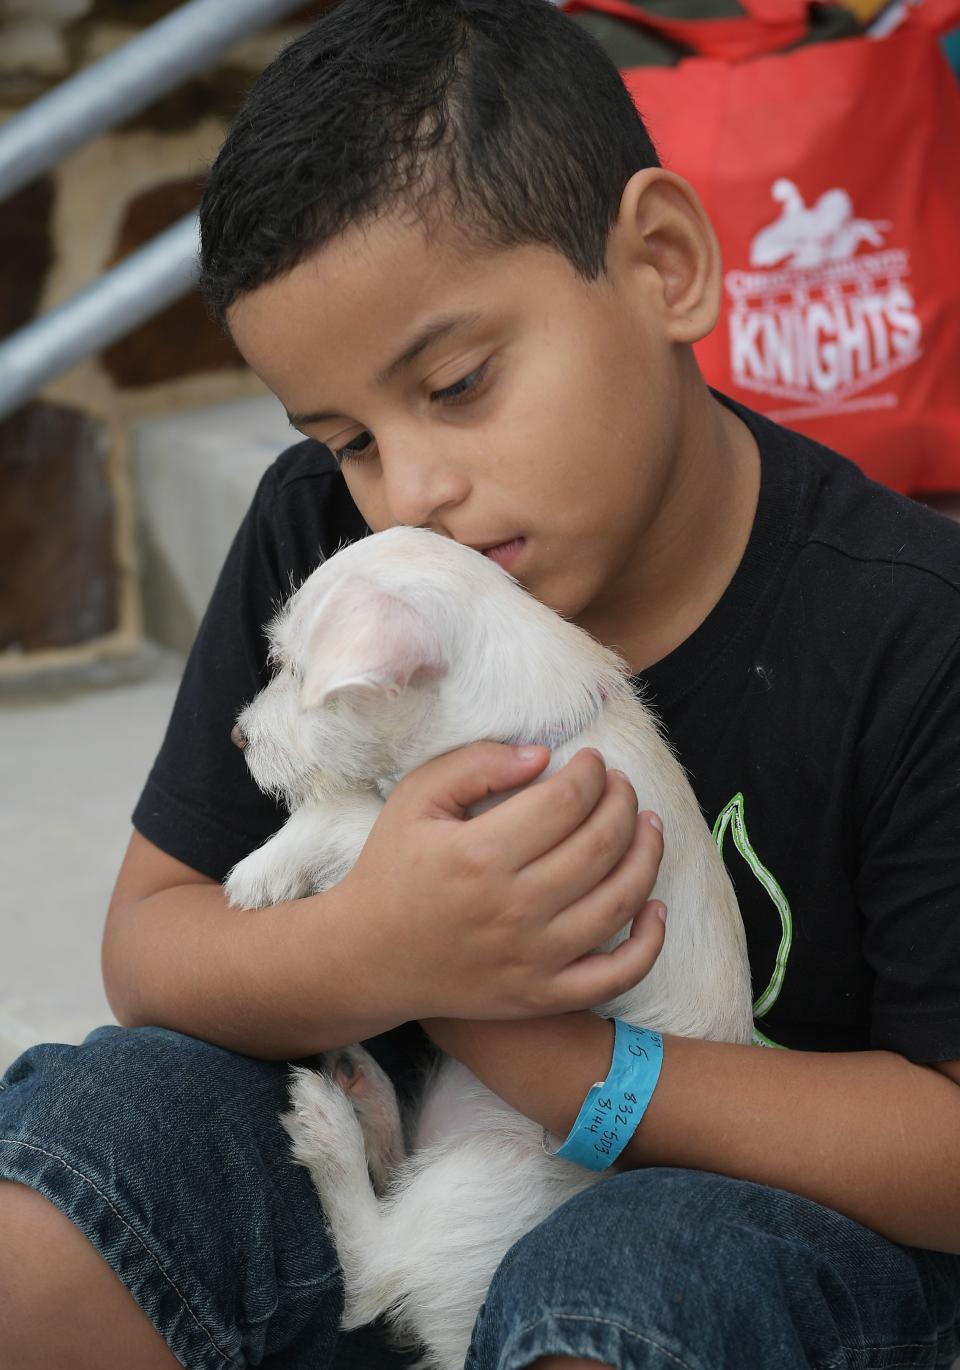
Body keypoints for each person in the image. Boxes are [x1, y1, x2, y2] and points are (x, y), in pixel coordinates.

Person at [2, 1, 960, 1366]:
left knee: (628, 1286)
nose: (414, 491)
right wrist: (386, 949)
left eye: (456, 383)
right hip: (383, 1162)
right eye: (347, 439)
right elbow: (154, 943)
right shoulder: (335, 545)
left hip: (755, 1247)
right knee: (78, 1162)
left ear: (667, 264)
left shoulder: (910, 631)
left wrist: (579, 1075)